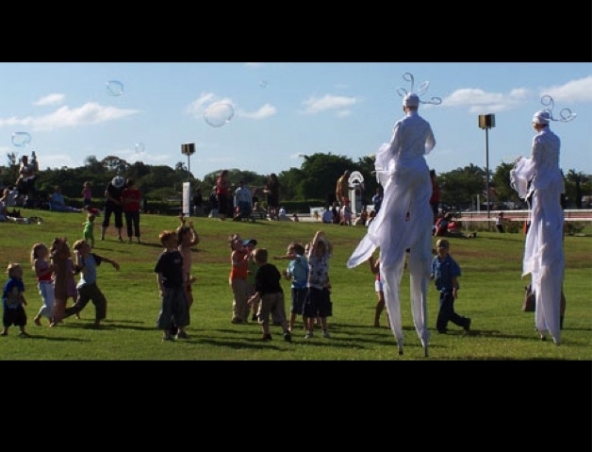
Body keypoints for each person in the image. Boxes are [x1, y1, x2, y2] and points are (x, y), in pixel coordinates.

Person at [347, 87, 438, 357]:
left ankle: (400, 331)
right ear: (418, 105)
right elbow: (430, 146)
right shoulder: (425, 123)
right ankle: (422, 335)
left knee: (391, 212)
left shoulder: (401, 123)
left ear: (403, 107)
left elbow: (395, 147)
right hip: (420, 171)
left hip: (402, 170)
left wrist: (389, 156)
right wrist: (418, 150)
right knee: (420, 212)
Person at [510, 107, 570, 344]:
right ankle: (547, 322)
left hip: (545, 187)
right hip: (553, 184)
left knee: (542, 216)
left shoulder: (539, 139)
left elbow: (534, 163)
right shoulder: (556, 138)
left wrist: (519, 168)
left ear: (537, 123)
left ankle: (548, 323)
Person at [62, 239, 120, 328]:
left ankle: (59, 315)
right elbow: (81, 269)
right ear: (80, 250)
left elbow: (102, 259)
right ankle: (97, 322)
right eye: (85, 245)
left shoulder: (92, 256)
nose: (88, 246)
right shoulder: (81, 259)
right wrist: (77, 255)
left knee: (79, 306)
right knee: (101, 301)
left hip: (85, 286)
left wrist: (113, 263)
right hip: (88, 285)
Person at [247, 248, 292, 342]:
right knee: (280, 314)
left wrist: (254, 298)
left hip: (267, 296)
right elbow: (278, 277)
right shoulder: (272, 267)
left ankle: (266, 334)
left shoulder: (259, 272)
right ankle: (286, 331)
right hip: (279, 293)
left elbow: (260, 288)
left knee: (263, 315)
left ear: (255, 260)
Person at [155, 230, 190, 341]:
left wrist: (184, 281)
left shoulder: (177, 254)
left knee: (181, 308)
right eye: (173, 239)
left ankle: (181, 331)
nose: (176, 241)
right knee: (167, 310)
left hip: (179, 286)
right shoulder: (164, 257)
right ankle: (166, 333)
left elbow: (181, 269)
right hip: (168, 287)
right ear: (166, 242)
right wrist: (161, 288)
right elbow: (159, 274)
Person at [431, 238, 471, 334]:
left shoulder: (450, 262)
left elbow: (453, 278)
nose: (442, 249)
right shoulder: (435, 260)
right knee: (449, 312)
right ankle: (465, 322)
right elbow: (433, 272)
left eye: (444, 247)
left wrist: (454, 289)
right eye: (439, 246)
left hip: (449, 290)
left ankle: (440, 327)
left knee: (443, 309)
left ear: (448, 249)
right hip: (442, 290)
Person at [303, 230, 333, 339]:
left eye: (321, 248)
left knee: (323, 311)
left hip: (323, 287)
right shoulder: (311, 258)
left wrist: (324, 239)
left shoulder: (325, 258)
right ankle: (310, 331)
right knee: (311, 311)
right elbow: (313, 246)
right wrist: (317, 235)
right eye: (318, 248)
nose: (319, 250)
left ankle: (325, 331)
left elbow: (330, 248)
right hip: (313, 287)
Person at [274, 242, 308, 332]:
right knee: (293, 307)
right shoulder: (290, 263)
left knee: (303, 307)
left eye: (289, 251)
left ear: (294, 251)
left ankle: (307, 327)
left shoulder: (301, 259)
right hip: (295, 287)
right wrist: (285, 275)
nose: (287, 253)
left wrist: (280, 258)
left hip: (304, 287)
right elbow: (289, 278)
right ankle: (291, 327)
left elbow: (295, 257)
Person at [1, 263, 29, 336]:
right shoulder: (10, 282)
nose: (21, 272)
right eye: (18, 271)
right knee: (8, 318)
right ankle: (5, 331)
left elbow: (20, 293)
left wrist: (23, 301)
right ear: (12, 273)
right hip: (9, 303)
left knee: (21, 317)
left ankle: (22, 331)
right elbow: (8, 292)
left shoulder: (20, 282)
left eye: (21, 271)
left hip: (18, 304)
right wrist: (13, 298)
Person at [31, 243, 55, 326]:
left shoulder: (45, 261)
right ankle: (38, 317)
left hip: (49, 282)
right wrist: (49, 270)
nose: (46, 251)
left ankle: (51, 320)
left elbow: (48, 272)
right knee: (48, 303)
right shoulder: (37, 261)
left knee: (51, 302)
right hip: (43, 284)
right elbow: (39, 274)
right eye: (43, 249)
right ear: (37, 251)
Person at [228, 233, 250, 324]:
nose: (239, 240)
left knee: (246, 298)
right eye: (236, 239)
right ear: (233, 244)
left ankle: (243, 318)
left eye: (240, 238)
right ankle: (236, 316)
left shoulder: (246, 251)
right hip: (236, 278)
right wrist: (244, 260)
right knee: (239, 297)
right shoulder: (235, 253)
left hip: (246, 277)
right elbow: (235, 265)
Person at [101, 175, 126, 241]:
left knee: (119, 219)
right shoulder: (110, 184)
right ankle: (102, 236)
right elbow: (106, 194)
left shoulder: (124, 185)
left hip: (118, 204)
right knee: (106, 218)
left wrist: (122, 200)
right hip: (109, 203)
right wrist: (115, 201)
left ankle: (119, 236)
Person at [369, 254, 390, 328]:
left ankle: (390, 322)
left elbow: (404, 266)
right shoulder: (381, 258)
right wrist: (371, 261)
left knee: (390, 302)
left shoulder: (396, 256)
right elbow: (374, 271)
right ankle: (376, 319)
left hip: (390, 282)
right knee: (382, 300)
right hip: (380, 281)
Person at [121, 178, 141, 243]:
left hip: (135, 209)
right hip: (128, 210)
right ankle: (130, 238)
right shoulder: (125, 192)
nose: (130, 187)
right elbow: (123, 201)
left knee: (136, 224)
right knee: (129, 224)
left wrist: (132, 200)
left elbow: (139, 200)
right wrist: (127, 200)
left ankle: (138, 238)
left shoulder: (136, 191)